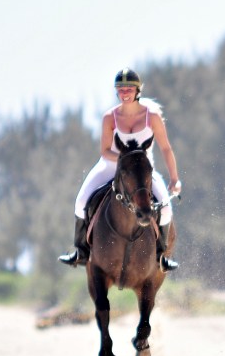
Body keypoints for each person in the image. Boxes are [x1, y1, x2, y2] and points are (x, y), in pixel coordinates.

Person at [58, 68, 182, 271]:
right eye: (121, 89)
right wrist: (125, 161)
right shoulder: (110, 117)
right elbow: (105, 151)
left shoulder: (152, 117)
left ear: (137, 91)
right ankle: (81, 251)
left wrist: (175, 179)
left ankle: (161, 256)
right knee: (81, 201)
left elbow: (166, 148)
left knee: (166, 209)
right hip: (111, 166)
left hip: (142, 172)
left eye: (129, 89)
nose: (124, 93)